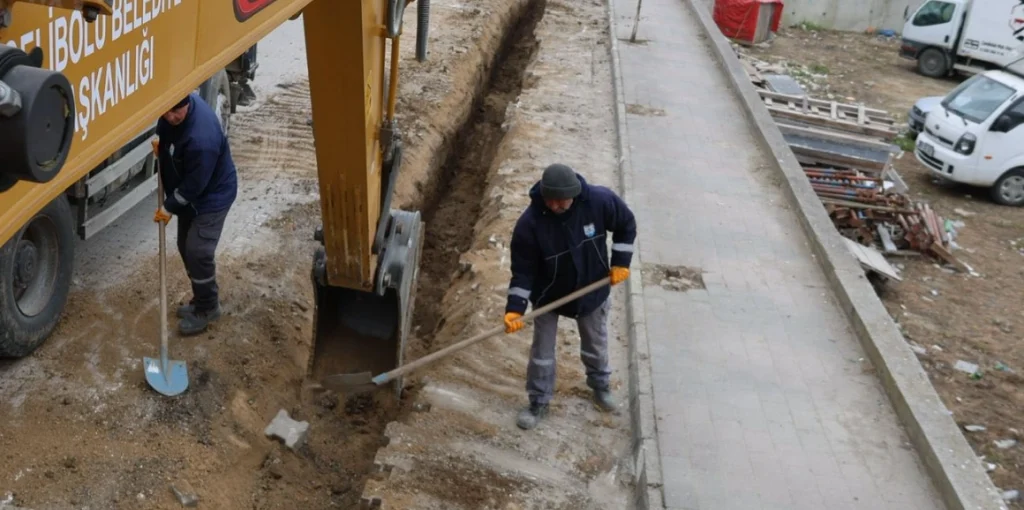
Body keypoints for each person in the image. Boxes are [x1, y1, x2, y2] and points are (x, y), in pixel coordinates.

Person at [503, 163, 636, 430]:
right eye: (550, 201)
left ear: (574, 194)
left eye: (561, 201)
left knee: (595, 344)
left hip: (591, 290)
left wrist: (621, 261)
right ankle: (539, 401)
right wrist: (515, 308)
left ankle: (600, 385)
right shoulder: (530, 224)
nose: (554, 206)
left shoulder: (599, 201)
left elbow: (626, 224)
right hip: (549, 297)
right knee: (542, 352)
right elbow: (523, 271)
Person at [153, 93, 238, 336]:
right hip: (192, 193)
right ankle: (202, 295)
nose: (170, 117)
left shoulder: (202, 139)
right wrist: (163, 147)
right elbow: (167, 128)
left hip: (213, 195)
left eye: (175, 112)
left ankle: (208, 307)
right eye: (166, 112)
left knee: (198, 250)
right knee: (184, 245)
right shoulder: (173, 116)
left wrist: (169, 207)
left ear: (187, 104)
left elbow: (194, 186)